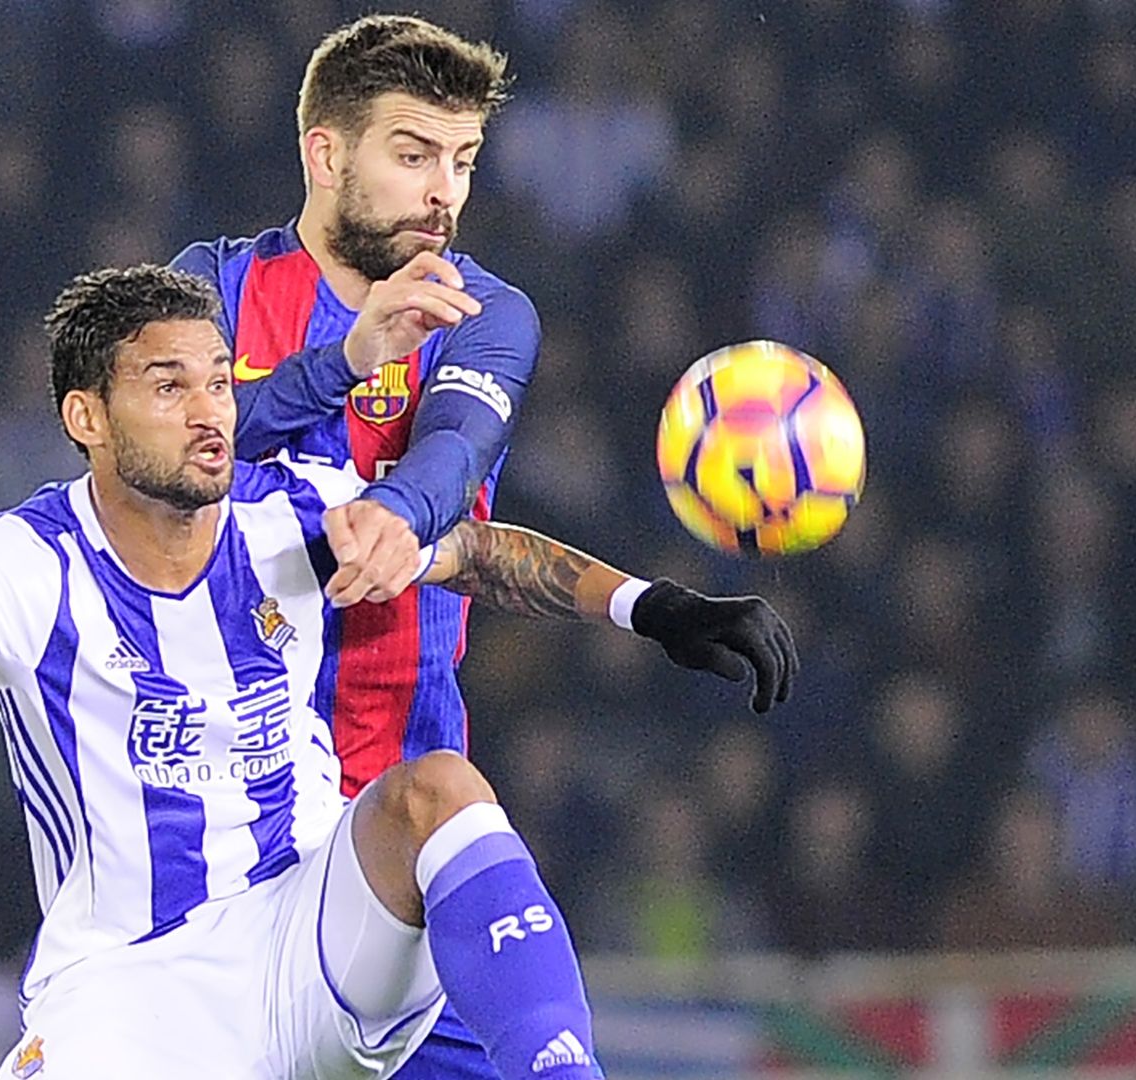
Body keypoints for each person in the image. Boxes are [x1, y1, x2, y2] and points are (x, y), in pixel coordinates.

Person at [0, 265, 796, 1078]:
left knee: (438, 789)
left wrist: (655, 606)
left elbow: (474, 548)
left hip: (311, 938)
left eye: (219, 379)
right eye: (168, 386)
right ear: (86, 414)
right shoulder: (32, 561)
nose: (211, 408)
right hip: (131, 997)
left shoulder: (298, 509)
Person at [173, 19, 792, 1073]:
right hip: (221, 834)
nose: (441, 193)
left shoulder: (484, 310)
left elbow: (456, 459)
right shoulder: (215, 291)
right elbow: (180, 451)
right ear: (326, 154)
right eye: (412, 155)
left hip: (398, 824)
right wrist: (346, 360)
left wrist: (642, 602)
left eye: (461, 161)